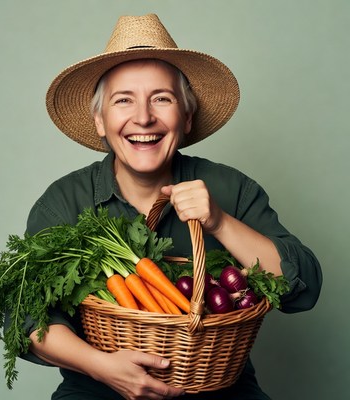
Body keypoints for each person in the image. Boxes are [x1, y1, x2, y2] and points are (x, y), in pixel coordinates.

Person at [22, 14, 322, 400]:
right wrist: (101, 366)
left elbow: (305, 288)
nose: (143, 117)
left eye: (161, 99)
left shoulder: (232, 189)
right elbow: (31, 318)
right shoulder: (63, 201)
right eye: (123, 100)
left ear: (187, 116)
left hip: (219, 388)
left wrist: (219, 222)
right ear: (100, 120)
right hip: (96, 388)